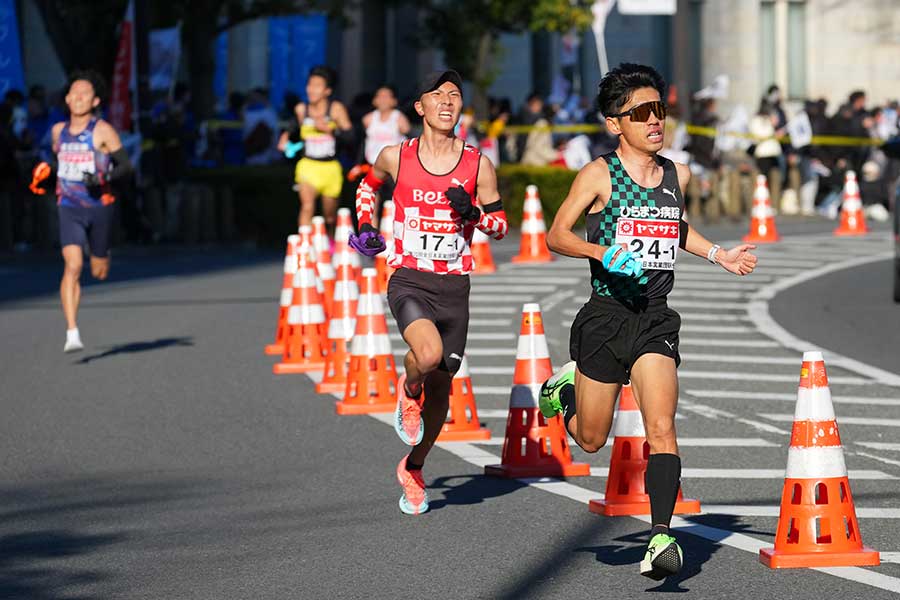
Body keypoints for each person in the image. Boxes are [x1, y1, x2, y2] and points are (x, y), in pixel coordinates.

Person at [538, 63, 757, 579]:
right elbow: (555, 235)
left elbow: (674, 227)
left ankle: (661, 536)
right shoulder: (599, 174)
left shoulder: (672, 173)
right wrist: (602, 252)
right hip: (607, 317)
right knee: (592, 438)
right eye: (641, 112)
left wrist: (719, 255)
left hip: (655, 319)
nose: (655, 120)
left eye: (659, 109)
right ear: (616, 123)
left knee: (661, 426)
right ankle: (564, 393)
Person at [347, 70, 508, 515]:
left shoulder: (478, 163)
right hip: (409, 276)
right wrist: (364, 226)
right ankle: (407, 386)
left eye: (455, 95)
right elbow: (368, 185)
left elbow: (499, 225)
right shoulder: (396, 155)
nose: (447, 102)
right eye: (436, 95)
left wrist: (472, 212)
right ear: (419, 107)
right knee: (428, 354)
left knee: (443, 392)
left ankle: (414, 467)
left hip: (454, 285)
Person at [39, 71, 133, 352]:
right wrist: (48, 174)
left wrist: (102, 179)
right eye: (74, 93)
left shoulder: (102, 130)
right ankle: (72, 332)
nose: (78, 98)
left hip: (99, 206)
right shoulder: (58, 131)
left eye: (85, 94)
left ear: (95, 101)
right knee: (73, 265)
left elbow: (126, 167)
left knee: (99, 270)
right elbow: (55, 162)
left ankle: (101, 254)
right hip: (68, 206)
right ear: (67, 99)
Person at [277, 66, 353, 230]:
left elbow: (351, 136)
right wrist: (285, 137)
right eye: (310, 85)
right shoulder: (301, 110)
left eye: (317, 86)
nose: (311, 90)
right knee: (307, 206)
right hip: (308, 165)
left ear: (327, 90)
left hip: (330, 167)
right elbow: (292, 129)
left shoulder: (336, 109)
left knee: (330, 217)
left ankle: (331, 244)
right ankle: (304, 246)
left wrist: (330, 130)